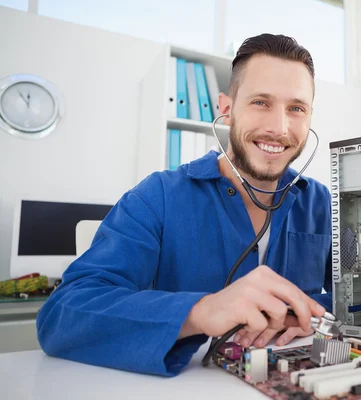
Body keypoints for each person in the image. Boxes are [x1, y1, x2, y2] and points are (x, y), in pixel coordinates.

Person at [36, 33, 332, 377]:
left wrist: (307, 313)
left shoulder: (322, 202)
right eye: (261, 102)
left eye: (296, 108)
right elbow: (61, 316)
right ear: (226, 108)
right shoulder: (158, 196)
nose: (279, 128)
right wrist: (200, 312)